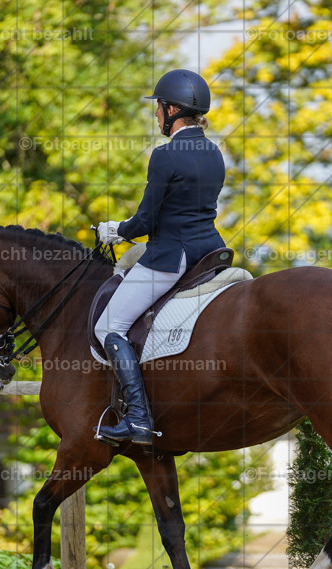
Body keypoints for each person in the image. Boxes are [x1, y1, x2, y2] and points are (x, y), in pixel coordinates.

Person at [93, 68, 227, 446]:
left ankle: (137, 418)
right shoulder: (215, 153)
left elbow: (146, 221)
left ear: (171, 109)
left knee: (109, 327)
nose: (155, 115)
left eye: (157, 108)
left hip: (172, 256)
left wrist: (114, 229)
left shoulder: (165, 156)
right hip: (211, 251)